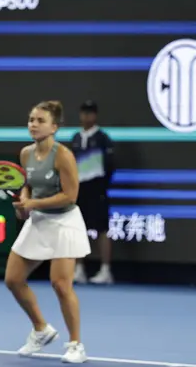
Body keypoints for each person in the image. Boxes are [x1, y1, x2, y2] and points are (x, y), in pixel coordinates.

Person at [4, 100, 90, 364]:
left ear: (54, 127)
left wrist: (33, 204)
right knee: (13, 279)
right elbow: (27, 185)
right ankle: (41, 329)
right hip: (39, 220)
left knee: (61, 285)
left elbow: (70, 196)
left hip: (65, 222)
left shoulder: (63, 155)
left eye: (40, 121)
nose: (33, 124)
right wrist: (24, 204)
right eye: (31, 119)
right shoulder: (26, 154)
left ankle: (76, 345)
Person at [70, 100, 115, 285]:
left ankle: (105, 270)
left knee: (102, 229)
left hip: (97, 188)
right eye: (84, 112)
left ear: (95, 115)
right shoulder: (75, 138)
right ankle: (79, 269)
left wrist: (102, 184)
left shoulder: (103, 138)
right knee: (78, 228)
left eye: (90, 112)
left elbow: (110, 165)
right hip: (79, 189)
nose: (86, 116)